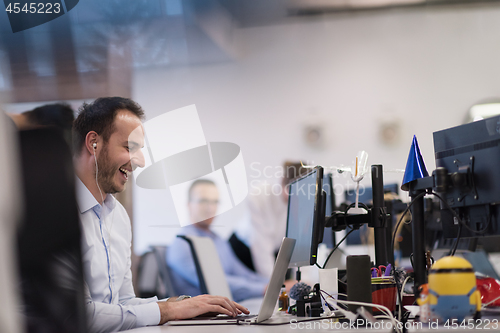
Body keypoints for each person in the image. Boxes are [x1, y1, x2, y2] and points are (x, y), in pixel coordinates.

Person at [72, 97, 248, 332]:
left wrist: (183, 304)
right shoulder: (56, 213)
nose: (141, 162)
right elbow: (80, 317)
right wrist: (167, 310)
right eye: (129, 147)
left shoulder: (118, 217)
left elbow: (123, 304)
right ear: (94, 143)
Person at [167, 179, 269, 302]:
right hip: (203, 317)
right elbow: (217, 284)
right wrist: (263, 289)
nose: (210, 208)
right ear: (189, 204)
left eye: (215, 202)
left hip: (227, 308)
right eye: (203, 201)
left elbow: (244, 274)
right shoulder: (183, 243)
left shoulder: (218, 240)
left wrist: (277, 285)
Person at [230, 161, 308, 277]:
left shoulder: (302, 201)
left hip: (275, 252)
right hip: (244, 251)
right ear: (283, 183)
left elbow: (302, 243)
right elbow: (261, 244)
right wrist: (274, 285)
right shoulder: (260, 195)